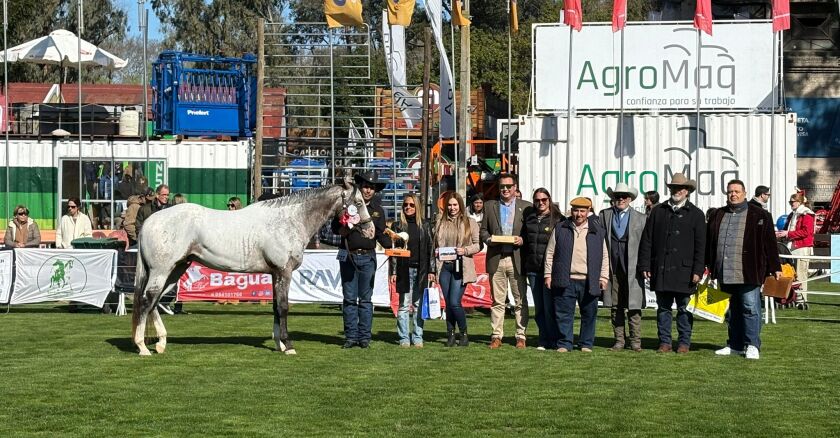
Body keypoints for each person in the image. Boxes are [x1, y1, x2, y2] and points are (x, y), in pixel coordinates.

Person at [707, 179, 781, 360]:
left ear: (745, 193)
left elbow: (770, 243)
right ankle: (735, 345)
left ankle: (752, 345)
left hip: (749, 271)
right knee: (732, 311)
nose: (733, 194)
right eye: (730, 191)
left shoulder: (760, 215)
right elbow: (709, 243)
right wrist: (707, 265)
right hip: (724, 272)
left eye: (737, 191)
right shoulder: (718, 214)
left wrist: (775, 267)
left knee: (750, 309)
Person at [638, 173, 706, 353]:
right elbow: (647, 240)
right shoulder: (658, 211)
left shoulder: (697, 214)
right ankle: (665, 342)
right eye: (674, 188)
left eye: (681, 188)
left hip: (686, 270)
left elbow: (701, 246)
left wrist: (698, 270)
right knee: (663, 308)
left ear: (687, 191)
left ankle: (684, 342)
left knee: (684, 309)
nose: (677, 191)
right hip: (661, 268)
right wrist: (645, 265)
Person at [332, 171, 390, 349]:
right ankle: (350, 337)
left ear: (374, 191)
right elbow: (335, 228)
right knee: (349, 299)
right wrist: (343, 227)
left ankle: (364, 338)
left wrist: (394, 243)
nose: (368, 190)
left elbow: (381, 235)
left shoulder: (378, 211)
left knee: (365, 300)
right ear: (360, 187)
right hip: (348, 255)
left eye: (371, 188)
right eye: (365, 186)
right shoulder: (348, 206)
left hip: (367, 256)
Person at [543, 197, 608, 352]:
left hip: (589, 279)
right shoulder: (560, 228)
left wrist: (604, 277)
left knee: (589, 314)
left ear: (588, 212)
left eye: (582, 211)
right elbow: (550, 253)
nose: (579, 214)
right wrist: (548, 274)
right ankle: (565, 343)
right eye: (576, 210)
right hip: (565, 278)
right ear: (571, 211)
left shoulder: (598, 231)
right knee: (563, 314)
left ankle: (586, 343)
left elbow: (604, 256)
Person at [480, 173, 532, 349]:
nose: (506, 189)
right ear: (498, 188)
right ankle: (496, 336)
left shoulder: (526, 207)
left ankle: (521, 336)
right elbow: (483, 231)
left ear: (515, 188)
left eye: (509, 186)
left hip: (517, 258)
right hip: (497, 258)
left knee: (520, 300)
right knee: (497, 301)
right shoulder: (489, 206)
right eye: (502, 186)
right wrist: (488, 240)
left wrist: (523, 240)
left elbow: (530, 232)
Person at [599, 183, 647, 352]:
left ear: (630, 199)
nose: (620, 199)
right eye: (617, 196)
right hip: (612, 267)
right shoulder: (604, 215)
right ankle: (619, 340)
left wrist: (645, 266)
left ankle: (636, 342)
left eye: (624, 196)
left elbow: (645, 245)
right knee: (615, 305)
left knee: (633, 306)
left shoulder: (641, 218)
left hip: (633, 268)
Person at [388, 194, 436, 348]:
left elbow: (431, 249)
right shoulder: (397, 226)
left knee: (418, 305)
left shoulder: (426, 225)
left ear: (417, 207)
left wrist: (432, 270)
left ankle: (417, 337)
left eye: (411, 205)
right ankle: (403, 338)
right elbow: (394, 251)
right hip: (404, 270)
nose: (408, 207)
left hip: (421, 270)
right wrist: (393, 271)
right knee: (403, 305)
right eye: (405, 205)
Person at [434, 192, 481, 347]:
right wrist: (436, 251)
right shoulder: (440, 222)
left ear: (460, 205)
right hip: (444, 267)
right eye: (449, 205)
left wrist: (465, 250)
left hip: (461, 266)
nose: (452, 208)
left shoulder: (470, 222)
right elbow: (435, 243)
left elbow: (477, 245)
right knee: (448, 303)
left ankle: (464, 333)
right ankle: (450, 334)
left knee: (455, 302)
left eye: (455, 205)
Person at [521, 188, 564, 350]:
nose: (541, 203)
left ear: (549, 200)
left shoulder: (558, 219)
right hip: (533, 269)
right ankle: (543, 339)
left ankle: (554, 339)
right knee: (539, 308)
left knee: (550, 307)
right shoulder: (529, 218)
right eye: (537, 200)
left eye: (544, 200)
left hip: (550, 271)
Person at [777, 190, 815, 310]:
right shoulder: (793, 214)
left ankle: (802, 299)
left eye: (792, 202)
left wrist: (788, 233)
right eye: (790, 202)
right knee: (791, 274)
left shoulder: (807, 214)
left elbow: (806, 232)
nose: (791, 204)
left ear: (799, 202)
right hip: (792, 247)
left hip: (802, 247)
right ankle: (790, 298)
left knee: (801, 274)